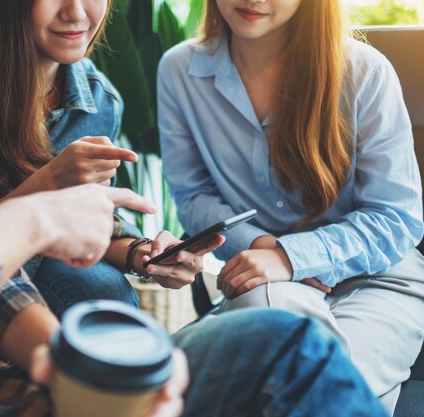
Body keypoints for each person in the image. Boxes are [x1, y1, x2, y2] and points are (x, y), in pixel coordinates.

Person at [0, 1, 394, 417]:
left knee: (286, 337)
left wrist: (135, 256)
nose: (78, 12)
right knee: (94, 289)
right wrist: (41, 204)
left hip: (16, 360)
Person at [157, 0, 424, 412]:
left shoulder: (365, 71)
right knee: (310, 368)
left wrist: (293, 256)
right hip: (260, 278)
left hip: (378, 279)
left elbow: (397, 216)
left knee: (302, 380)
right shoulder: (179, 71)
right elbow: (194, 198)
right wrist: (265, 248)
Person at [0, 0, 200, 319]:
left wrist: (144, 255)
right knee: (98, 290)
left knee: (106, 293)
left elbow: (94, 225)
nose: (77, 14)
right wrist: (49, 184)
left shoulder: (101, 100)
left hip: (52, 282)